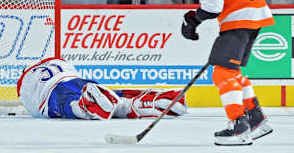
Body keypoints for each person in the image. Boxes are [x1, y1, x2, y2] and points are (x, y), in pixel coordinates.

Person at [180, 0, 274, 146]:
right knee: (232, 72)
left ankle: (239, 127)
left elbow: (213, 5)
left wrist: (193, 20)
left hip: (239, 17)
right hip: (256, 14)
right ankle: (257, 120)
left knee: (222, 73)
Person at [17, 57, 187, 120]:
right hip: (74, 80)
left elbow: (36, 110)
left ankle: (84, 105)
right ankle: (148, 100)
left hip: (52, 94)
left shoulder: (24, 82)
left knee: (68, 105)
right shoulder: (56, 61)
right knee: (115, 99)